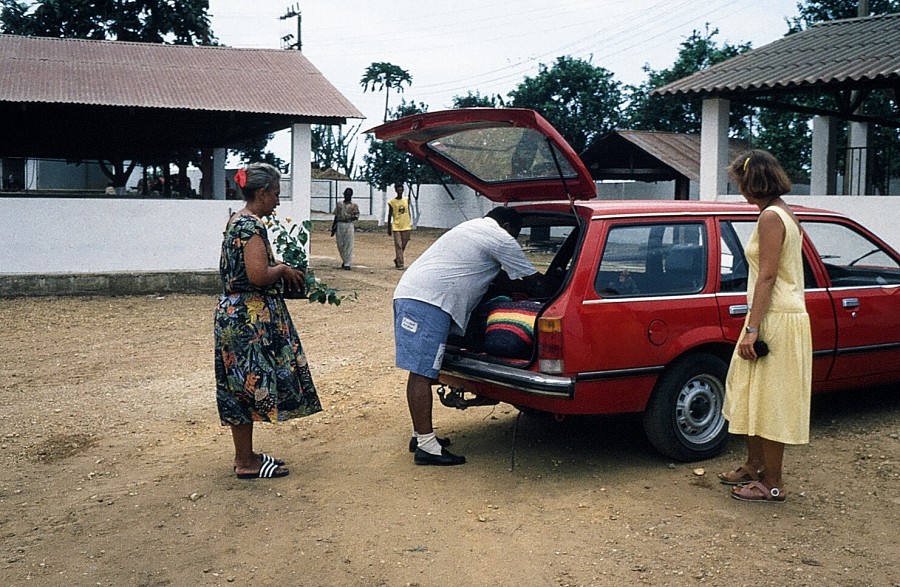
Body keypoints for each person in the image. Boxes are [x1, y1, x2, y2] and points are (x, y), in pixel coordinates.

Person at [393, 207, 543, 465]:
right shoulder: (500, 237)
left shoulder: (471, 227)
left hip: (413, 294)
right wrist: (554, 284)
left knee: (420, 370)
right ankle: (427, 448)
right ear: (507, 226)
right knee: (422, 372)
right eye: (516, 234)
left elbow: (501, 280)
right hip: (429, 302)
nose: (515, 240)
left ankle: (421, 437)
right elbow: (533, 281)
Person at [214, 162, 322, 479]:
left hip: (237, 316)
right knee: (248, 385)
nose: (277, 200)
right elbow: (258, 275)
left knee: (240, 386)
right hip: (248, 321)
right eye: (275, 193)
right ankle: (245, 462)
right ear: (261, 193)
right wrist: (284, 270)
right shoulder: (251, 227)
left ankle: (245, 455)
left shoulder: (236, 220)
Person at [719, 150, 812, 503]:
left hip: (775, 318)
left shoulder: (771, 218)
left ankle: (772, 484)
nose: (740, 190)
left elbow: (768, 276)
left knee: (772, 400)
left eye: (740, 183)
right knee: (750, 391)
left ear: (751, 182)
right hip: (773, 315)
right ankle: (754, 464)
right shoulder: (782, 212)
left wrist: (753, 327)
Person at [331, 187, 360, 270]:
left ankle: (347, 263)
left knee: (349, 244)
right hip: (340, 224)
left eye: (349, 194)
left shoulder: (354, 205)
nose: (347, 196)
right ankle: (344, 260)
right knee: (340, 244)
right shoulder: (339, 204)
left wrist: (351, 216)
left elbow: (356, 216)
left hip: (349, 224)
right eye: (346, 194)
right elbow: (336, 216)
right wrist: (333, 227)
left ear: (351, 195)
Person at [386, 182, 412, 269]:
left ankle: (397, 259)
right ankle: (401, 263)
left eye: (401, 189)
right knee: (399, 245)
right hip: (396, 226)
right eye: (398, 189)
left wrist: (410, 223)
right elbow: (389, 215)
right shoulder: (392, 202)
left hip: (406, 226)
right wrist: (389, 227)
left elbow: (408, 212)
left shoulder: (406, 200)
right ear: (396, 190)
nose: (400, 191)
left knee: (403, 245)